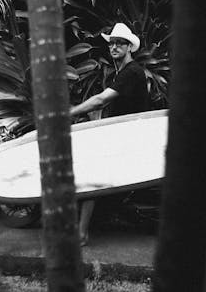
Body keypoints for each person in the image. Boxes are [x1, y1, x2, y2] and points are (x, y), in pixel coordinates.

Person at [70, 23, 150, 245]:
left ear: (130, 47)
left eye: (120, 43)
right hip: (121, 132)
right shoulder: (122, 72)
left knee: (92, 173)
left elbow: (101, 100)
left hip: (129, 137)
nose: (114, 47)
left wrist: (69, 113)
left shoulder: (132, 72)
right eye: (112, 43)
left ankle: (82, 233)